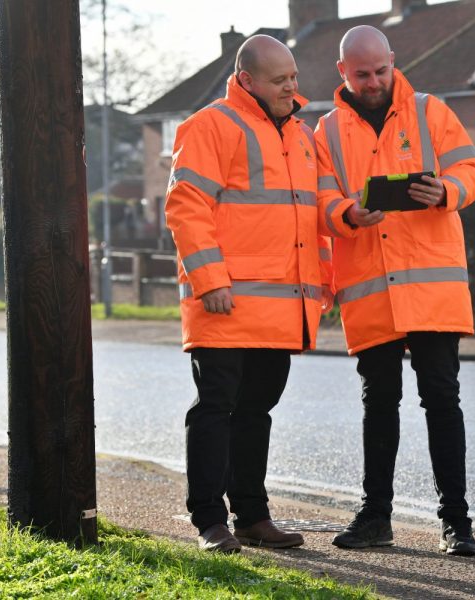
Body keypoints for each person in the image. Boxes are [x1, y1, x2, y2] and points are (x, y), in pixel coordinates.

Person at [314, 26, 475, 556]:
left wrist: (447, 190)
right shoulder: (325, 131)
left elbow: (472, 170)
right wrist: (346, 212)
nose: (373, 82)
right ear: (344, 73)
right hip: (371, 290)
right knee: (379, 404)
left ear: (393, 61)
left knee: (442, 399)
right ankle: (376, 519)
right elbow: (318, 198)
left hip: (432, 286)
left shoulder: (431, 111)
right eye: (362, 74)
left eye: (380, 71)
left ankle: (457, 523)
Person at [165, 35, 332, 553]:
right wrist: (210, 280)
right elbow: (186, 205)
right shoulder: (210, 125)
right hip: (224, 300)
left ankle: (253, 517)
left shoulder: (302, 137)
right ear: (246, 81)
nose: (292, 87)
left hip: (278, 306)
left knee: (257, 409)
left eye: (294, 77)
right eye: (280, 79)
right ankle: (210, 522)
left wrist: (350, 215)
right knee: (216, 406)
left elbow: (318, 206)